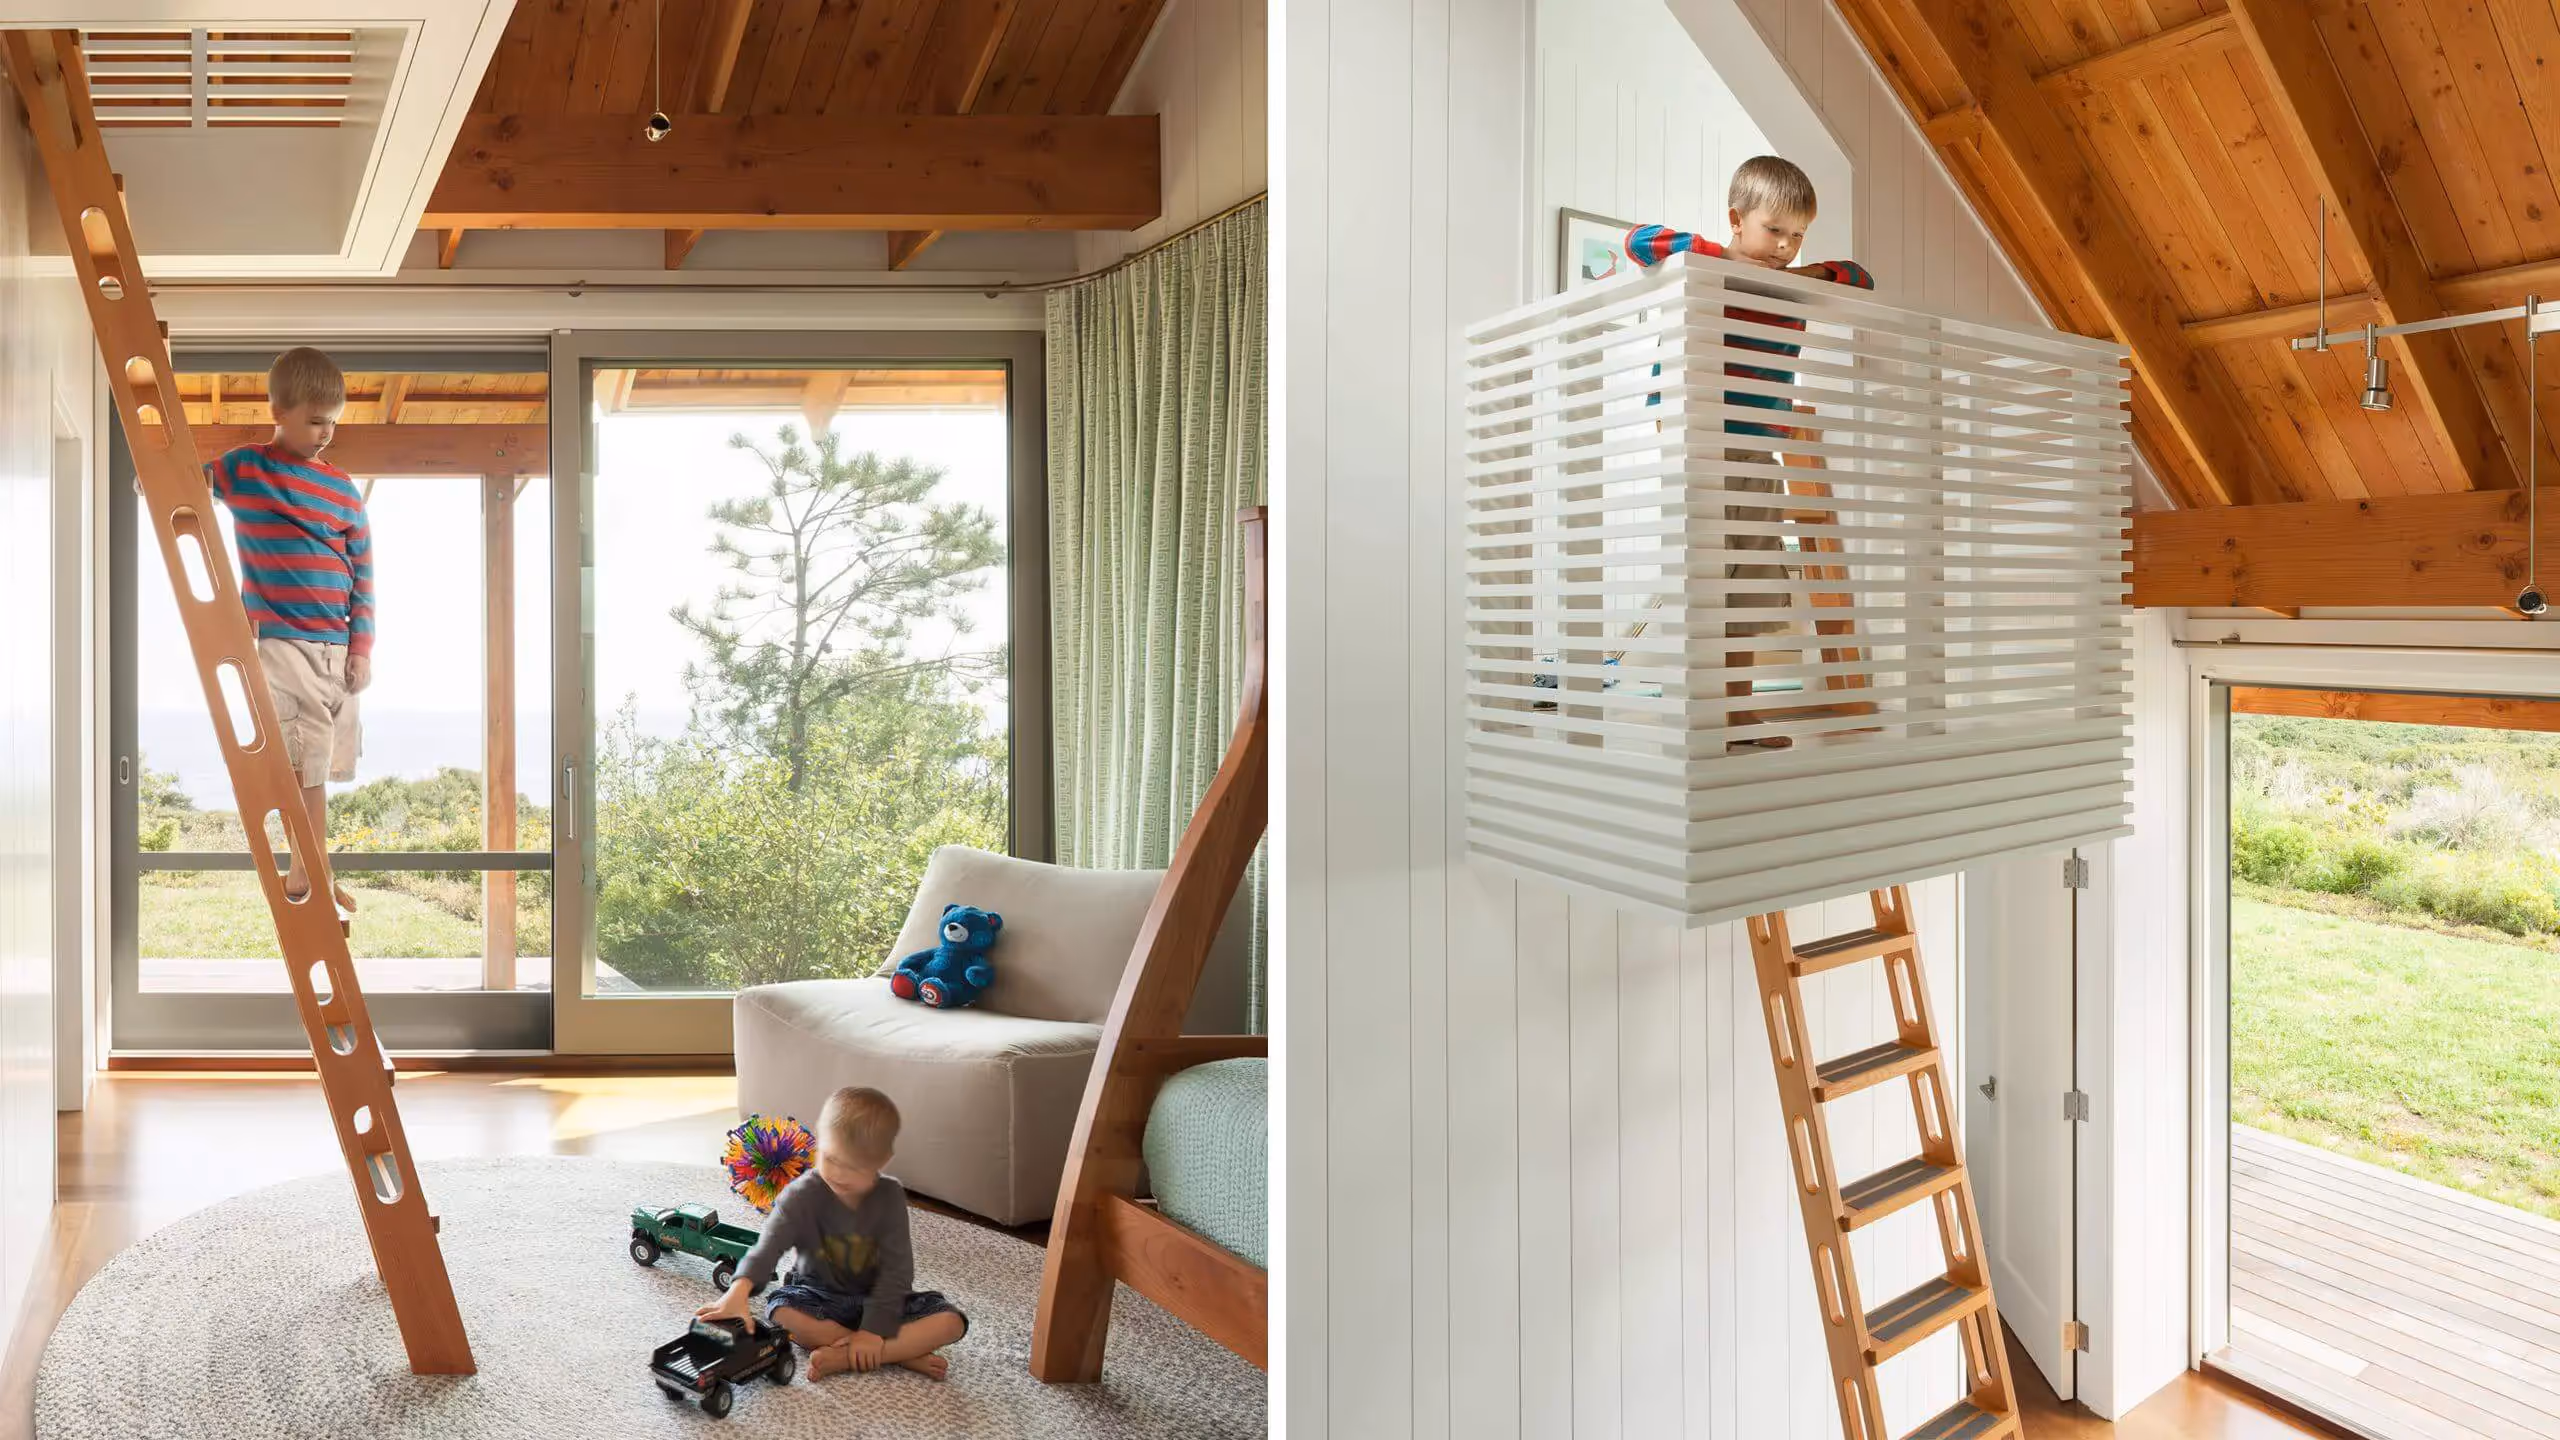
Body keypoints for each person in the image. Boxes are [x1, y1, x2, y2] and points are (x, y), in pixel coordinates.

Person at [1623, 157, 1875, 736]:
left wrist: (1808, 276)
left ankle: (1737, 711)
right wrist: (1721, 257)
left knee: (1751, 583)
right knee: (1708, 576)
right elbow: (1638, 242)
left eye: (1797, 235)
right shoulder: (1708, 264)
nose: (1784, 246)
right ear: (1737, 220)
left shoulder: (1790, 281)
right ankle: (1703, 712)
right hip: (1701, 436)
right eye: (1773, 230)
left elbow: (1860, 277)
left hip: (1759, 442)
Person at [202, 347, 371, 911]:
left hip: (337, 648)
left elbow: (362, 574)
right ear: (279, 410)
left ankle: (316, 866)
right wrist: (151, 486)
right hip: (283, 641)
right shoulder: (247, 468)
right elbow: (189, 483)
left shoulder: (344, 490)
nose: (326, 433)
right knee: (304, 769)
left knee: (322, 767)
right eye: (315, 421)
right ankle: (310, 873)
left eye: (333, 422)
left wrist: (362, 647)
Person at [697, 1087, 970, 1381]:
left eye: (853, 1166)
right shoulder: (801, 1195)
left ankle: (856, 1355)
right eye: (830, 1158)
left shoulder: (890, 1197)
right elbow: (768, 1248)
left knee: (951, 1322)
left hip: (883, 1297)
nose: (838, 1174)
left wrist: (872, 1329)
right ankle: (900, 1354)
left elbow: (897, 1272)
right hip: (819, 1295)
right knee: (781, 1313)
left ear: (883, 1159)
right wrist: (737, 1293)